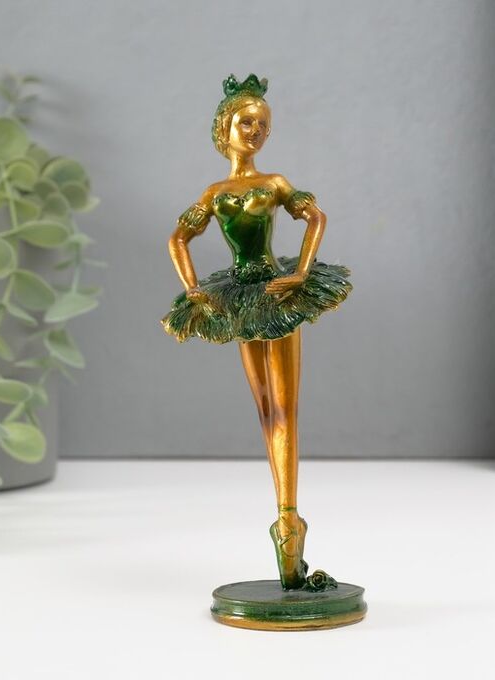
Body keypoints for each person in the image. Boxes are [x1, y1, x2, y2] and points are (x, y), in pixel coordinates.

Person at [162, 74, 352, 590]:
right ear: (225, 127)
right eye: (247, 122)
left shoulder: (275, 183)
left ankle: (288, 519)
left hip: (274, 291)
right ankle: (285, 523)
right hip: (239, 294)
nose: (256, 131)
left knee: (285, 407)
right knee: (266, 407)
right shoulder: (215, 193)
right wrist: (193, 288)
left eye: (263, 125)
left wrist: (302, 273)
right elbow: (178, 238)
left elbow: (315, 218)